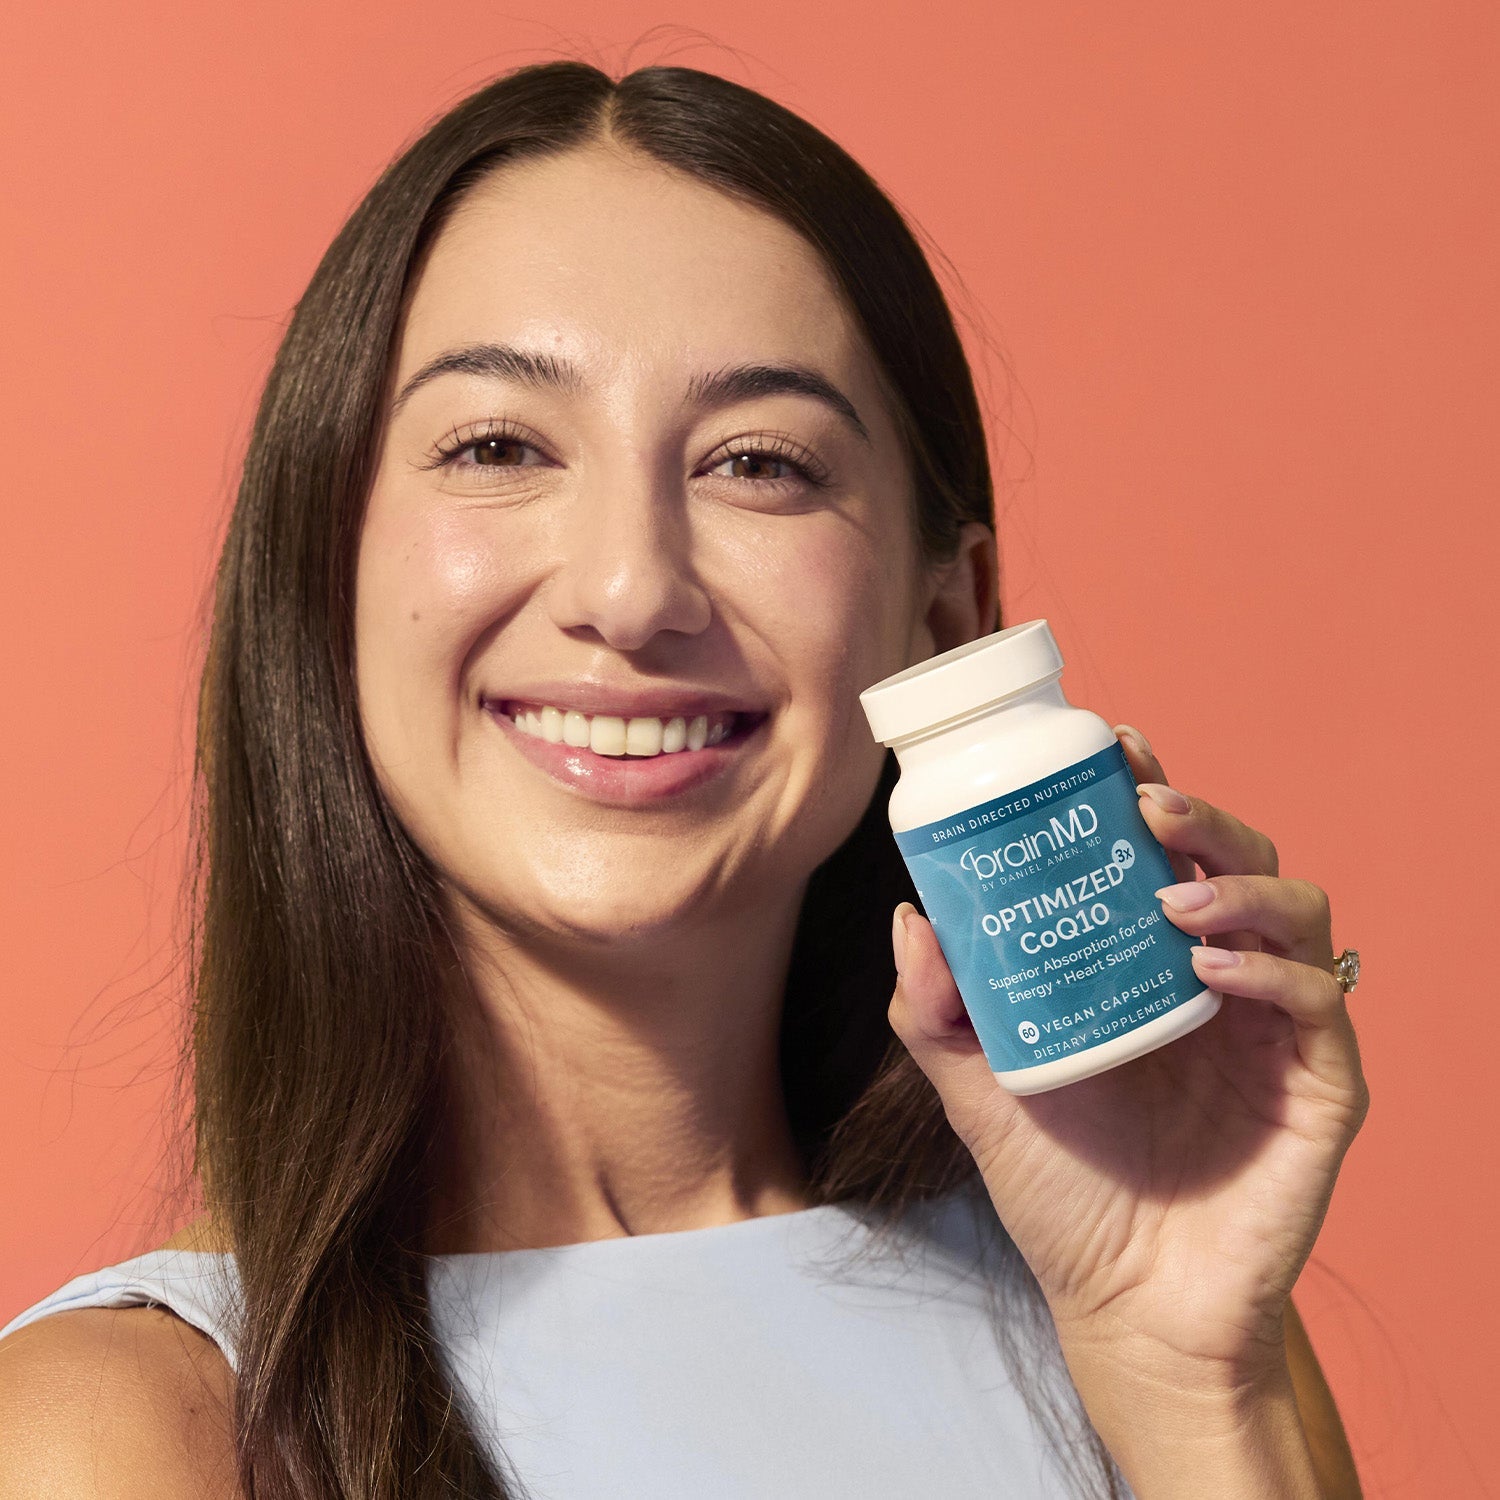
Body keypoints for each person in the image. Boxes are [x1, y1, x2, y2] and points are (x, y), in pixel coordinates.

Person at [0, 59, 1368, 1499]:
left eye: (759, 464)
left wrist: (1193, 1381)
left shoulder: (1149, 1301)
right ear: (327, 576)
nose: (632, 588)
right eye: (499, 446)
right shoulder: (123, 1435)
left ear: (949, 627)